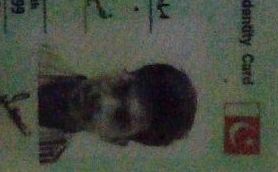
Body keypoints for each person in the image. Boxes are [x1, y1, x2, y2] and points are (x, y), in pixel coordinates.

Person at [37, 62, 197, 164]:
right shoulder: (38, 54)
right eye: (120, 88)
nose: (102, 102)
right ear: (121, 72)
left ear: (116, 140)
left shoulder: (41, 156)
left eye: (120, 118)